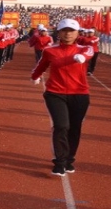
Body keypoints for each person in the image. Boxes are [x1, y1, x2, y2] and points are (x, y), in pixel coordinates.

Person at [30, 18, 94, 177]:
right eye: (64, 30)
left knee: (74, 127)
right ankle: (59, 162)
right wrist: (35, 76)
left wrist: (82, 58)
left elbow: (89, 53)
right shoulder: (50, 51)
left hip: (79, 94)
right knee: (61, 125)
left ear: (77, 33)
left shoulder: (85, 48)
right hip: (55, 93)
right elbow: (41, 65)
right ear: (58, 32)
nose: (68, 34)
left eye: (71, 31)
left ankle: (69, 159)